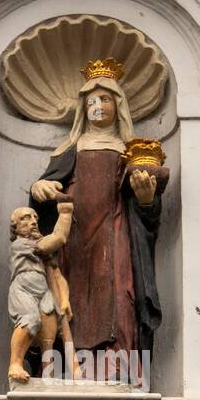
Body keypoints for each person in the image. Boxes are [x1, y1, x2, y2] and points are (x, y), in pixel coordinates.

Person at [29, 59, 163, 381]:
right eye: (91, 101)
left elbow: (146, 217)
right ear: (83, 108)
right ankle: (69, 370)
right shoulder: (70, 150)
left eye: (104, 99)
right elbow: (43, 195)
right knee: (70, 302)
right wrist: (39, 188)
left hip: (114, 233)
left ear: (118, 105)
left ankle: (118, 369)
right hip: (73, 240)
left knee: (120, 296)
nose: (98, 106)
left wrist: (145, 199)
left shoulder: (129, 151)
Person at [7, 203, 73, 384]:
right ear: (15, 227)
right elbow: (58, 238)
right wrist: (66, 214)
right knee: (30, 319)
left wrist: (65, 299)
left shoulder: (43, 251)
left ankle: (48, 378)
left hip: (44, 291)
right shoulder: (20, 245)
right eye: (25, 218)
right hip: (24, 289)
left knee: (48, 335)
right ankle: (15, 363)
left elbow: (58, 277)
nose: (33, 222)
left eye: (35, 218)